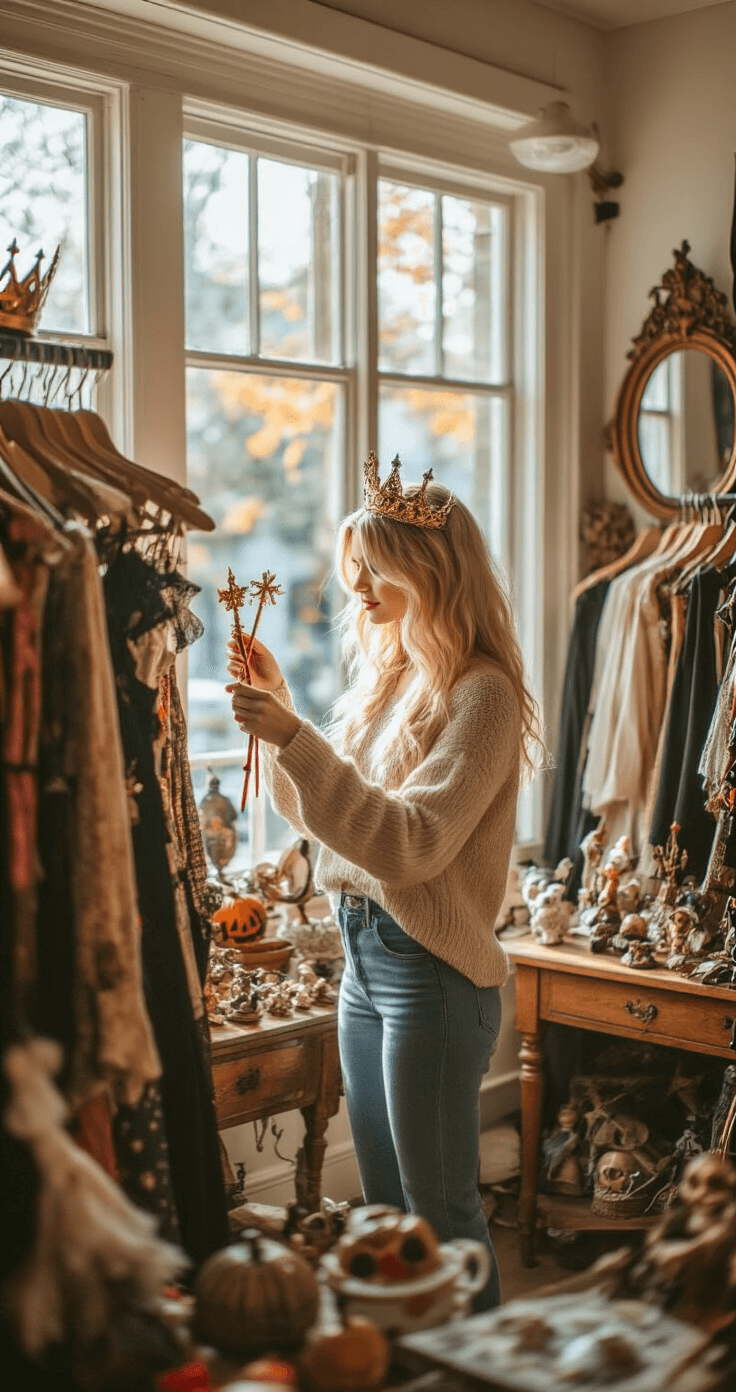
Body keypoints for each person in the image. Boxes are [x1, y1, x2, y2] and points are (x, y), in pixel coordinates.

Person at [226, 452, 540, 1308]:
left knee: (441, 1215)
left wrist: (294, 736)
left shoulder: (484, 697)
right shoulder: (389, 679)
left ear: (429, 571)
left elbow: (406, 846)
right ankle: (406, 1362)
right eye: (352, 569)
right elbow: (327, 820)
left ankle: (478, 1365)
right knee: (388, 1215)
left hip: (431, 978)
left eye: (374, 569)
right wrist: (283, 709)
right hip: (364, 972)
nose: (356, 588)